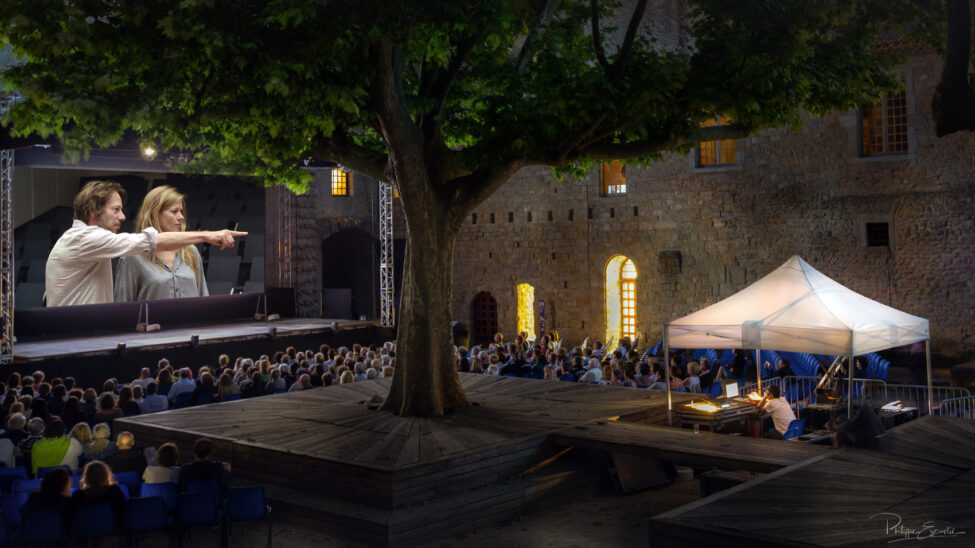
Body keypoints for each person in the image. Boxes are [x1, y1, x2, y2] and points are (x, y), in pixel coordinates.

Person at [45, 180, 246, 307]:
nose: (123, 217)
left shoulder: (90, 241)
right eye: (116, 210)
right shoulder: (85, 239)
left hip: (84, 336)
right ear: (92, 210)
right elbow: (150, 241)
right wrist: (207, 236)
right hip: (77, 337)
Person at [114, 185, 209, 302]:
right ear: (155, 214)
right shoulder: (132, 256)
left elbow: (203, 296)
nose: (181, 217)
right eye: (174, 211)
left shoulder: (191, 251)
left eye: (181, 211)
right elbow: (123, 305)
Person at [72, 461, 127, 527]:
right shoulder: (114, 491)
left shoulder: (78, 495)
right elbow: (124, 512)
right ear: (106, 475)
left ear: (86, 477)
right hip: (111, 530)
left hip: (86, 531)